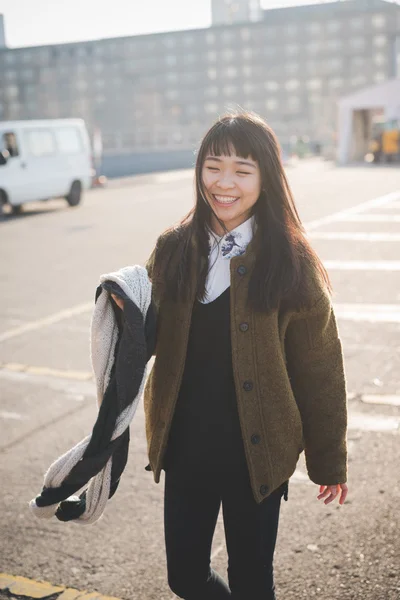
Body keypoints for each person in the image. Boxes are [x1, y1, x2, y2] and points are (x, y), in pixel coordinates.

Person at [112, 111, 348, 600]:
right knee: (183, 577)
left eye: (242, 170)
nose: (224, 183)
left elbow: (319, 368)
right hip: (185, 446)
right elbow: (147, 338)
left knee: (252, 581)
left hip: (257, 453)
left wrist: (328, 462)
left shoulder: (291, 263)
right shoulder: (174, 248)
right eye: (213, 167)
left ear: (266, 178)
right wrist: (124, 313)